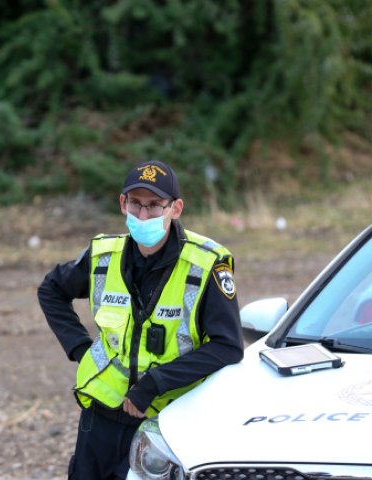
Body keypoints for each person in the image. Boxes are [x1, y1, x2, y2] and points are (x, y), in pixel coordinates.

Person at [37, 160, 244, 479]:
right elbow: (51, 289)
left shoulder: (206, 265)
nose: (143, 216)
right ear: (123, 204)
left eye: (153, 206)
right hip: (100, 415)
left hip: (164, 421)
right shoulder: (104, 255)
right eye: (135, 204)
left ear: (175, 209)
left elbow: (228, 346)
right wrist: (80, 349)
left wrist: (154, 384)